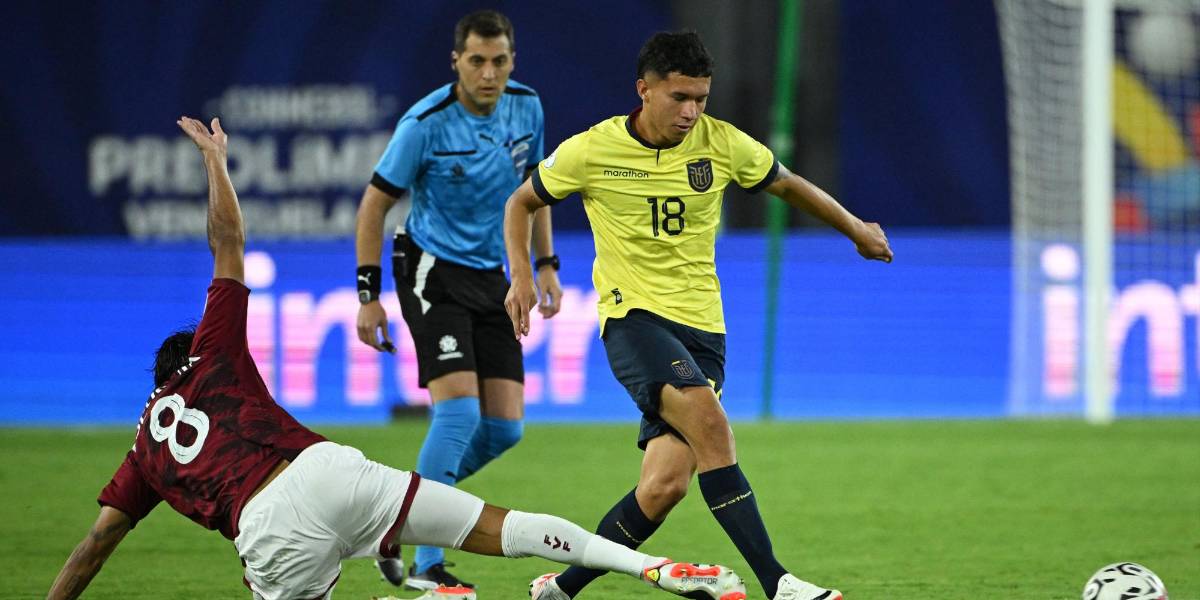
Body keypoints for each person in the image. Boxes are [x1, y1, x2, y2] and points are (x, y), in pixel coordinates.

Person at [46, 117, 747, 600]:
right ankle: (649, 566)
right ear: (188, 358)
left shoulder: (143, 453)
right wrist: (212, 161)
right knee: (503, 527)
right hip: (328, 471)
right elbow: (227, 242)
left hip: (266, 529)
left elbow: (93, 547)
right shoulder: (213, 358)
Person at [504, 31, 893, 600]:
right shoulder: (592, 149)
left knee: (662, 488)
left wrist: (857, 229)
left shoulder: (721, 144)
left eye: (701, 99)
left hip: (704, 328)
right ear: (645, 89)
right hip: (633, 319)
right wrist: (527, 273)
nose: (690, 111)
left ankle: (559, 590)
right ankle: (778, 582)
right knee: (713, 429)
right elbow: (523, 201)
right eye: (679, 97)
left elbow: (786, 183)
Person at [354, 9, 563, 590]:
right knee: (460, 414)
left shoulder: (529, 107)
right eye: (476, 61)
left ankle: (399, 517)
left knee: (504, 430)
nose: (489, 73)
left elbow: (536, 191)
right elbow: (373, 205)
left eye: (499, 61)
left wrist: (545, 264)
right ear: (457, 63)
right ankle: (428, 567)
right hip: (429, 271)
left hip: (490, 273)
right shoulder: (425, 122)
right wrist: (367, 297)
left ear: (512, 61)